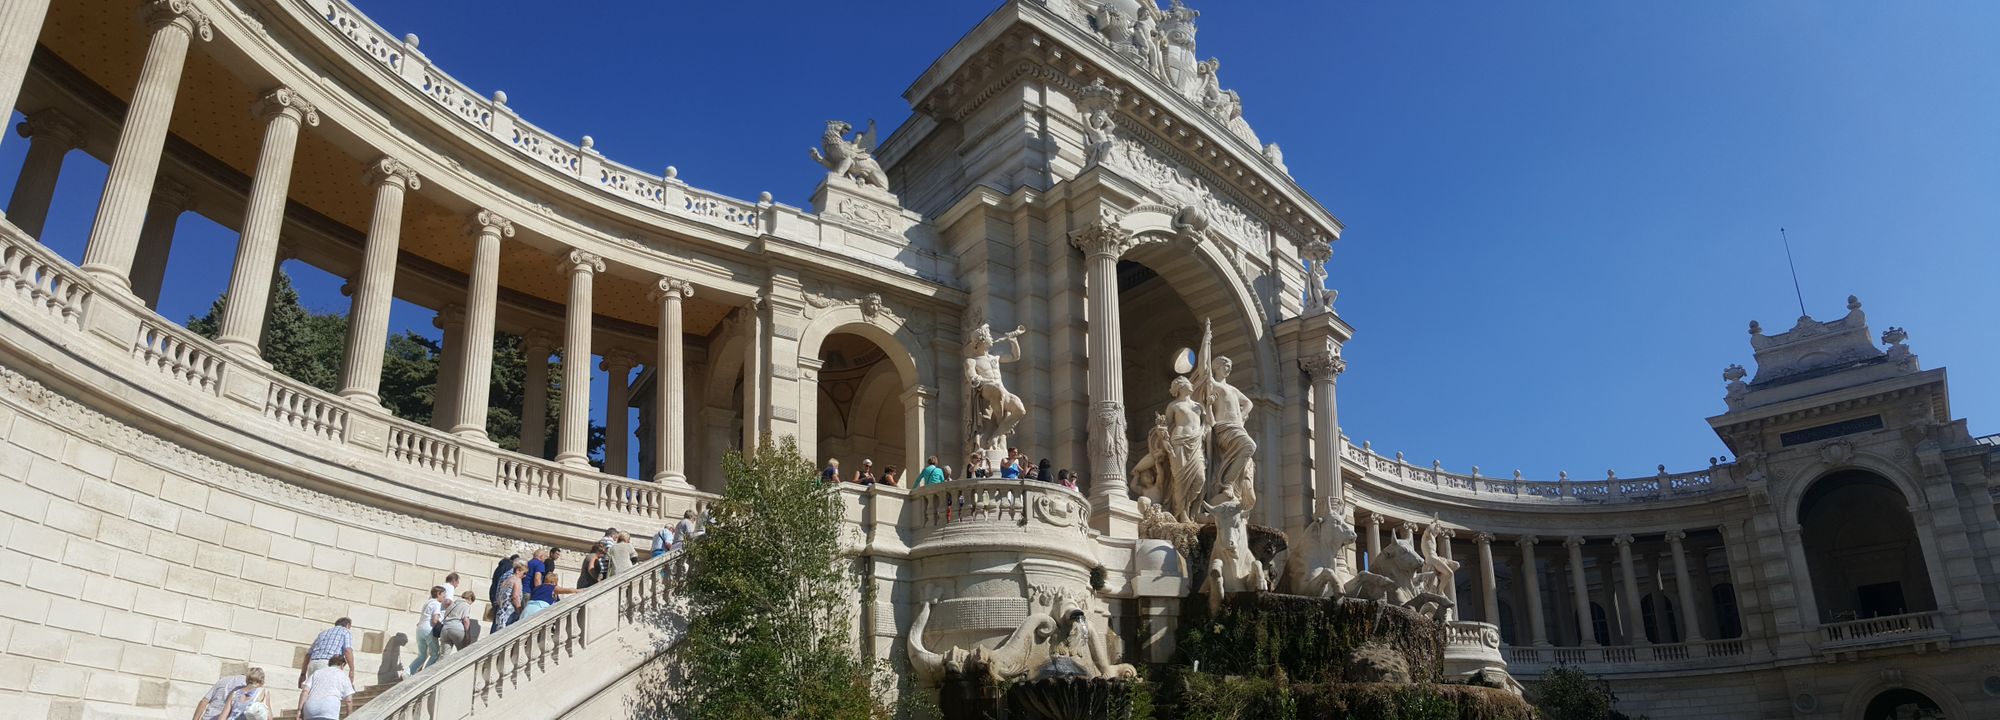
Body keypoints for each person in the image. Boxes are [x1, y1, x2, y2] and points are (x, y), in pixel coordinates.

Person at [298, 618, 354, 689]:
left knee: (312, 692)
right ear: (348, 625)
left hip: (313, 664)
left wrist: (303, 674)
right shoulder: (345, 631)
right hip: (328, 664)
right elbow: (347, 650)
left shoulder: (323, 633)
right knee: (326, 691)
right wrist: (352, 670)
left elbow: (308, 654)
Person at [297, 655, 355, 720]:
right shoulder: (343, 676)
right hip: (329, 709)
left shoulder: (317, 673)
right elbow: (349, 701)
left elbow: (305, 691)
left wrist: (299, 711)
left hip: (310, 708)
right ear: (342, 664)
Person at [407, 586, 447, 675]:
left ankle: (407, 673)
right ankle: (425, 675)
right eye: (443, 595)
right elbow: (434, 620)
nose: (444, 597)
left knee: (421, 655)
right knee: (435, 653)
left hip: (420, 629)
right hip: (428, 630)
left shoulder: (427, 603)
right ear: (438, 594)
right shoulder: (436, 604)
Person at [492, 560, 526, 632]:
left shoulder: (506, 580)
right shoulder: (517, 580)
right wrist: (520, 611)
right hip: (509, 612)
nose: (525, 576)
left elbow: (498, 595)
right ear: (518, 570)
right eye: (524, 573)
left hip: (501, 612)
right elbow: (515, 597)